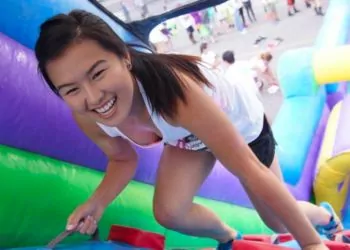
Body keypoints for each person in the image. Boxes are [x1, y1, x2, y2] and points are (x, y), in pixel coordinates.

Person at [35, 10, 343, 250]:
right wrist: (97, 202)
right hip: (187, 136)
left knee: (277, 222)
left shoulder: (177, 95)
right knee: (169, 212)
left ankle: (324, 217)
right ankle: (228, 237)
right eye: (71, 89)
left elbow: (250, 170)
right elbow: (122, 159)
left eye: (98, 73)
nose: (93, 97)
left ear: (124, 57)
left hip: (241, 127)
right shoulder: (89, 114)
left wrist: (310, 242)